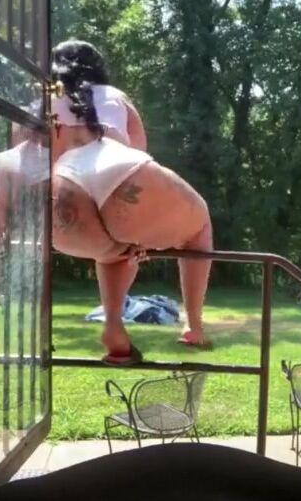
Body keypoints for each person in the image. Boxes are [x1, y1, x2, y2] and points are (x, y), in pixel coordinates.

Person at [46, 41, 213, 364]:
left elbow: (26, 159)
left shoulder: (44, 100)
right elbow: (135, 149)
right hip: (119, 171)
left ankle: (113, 323)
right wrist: (139, 232)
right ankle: (193, 325)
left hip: (63, 190)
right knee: (199, 224)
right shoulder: (113, 95)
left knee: (112, 252)